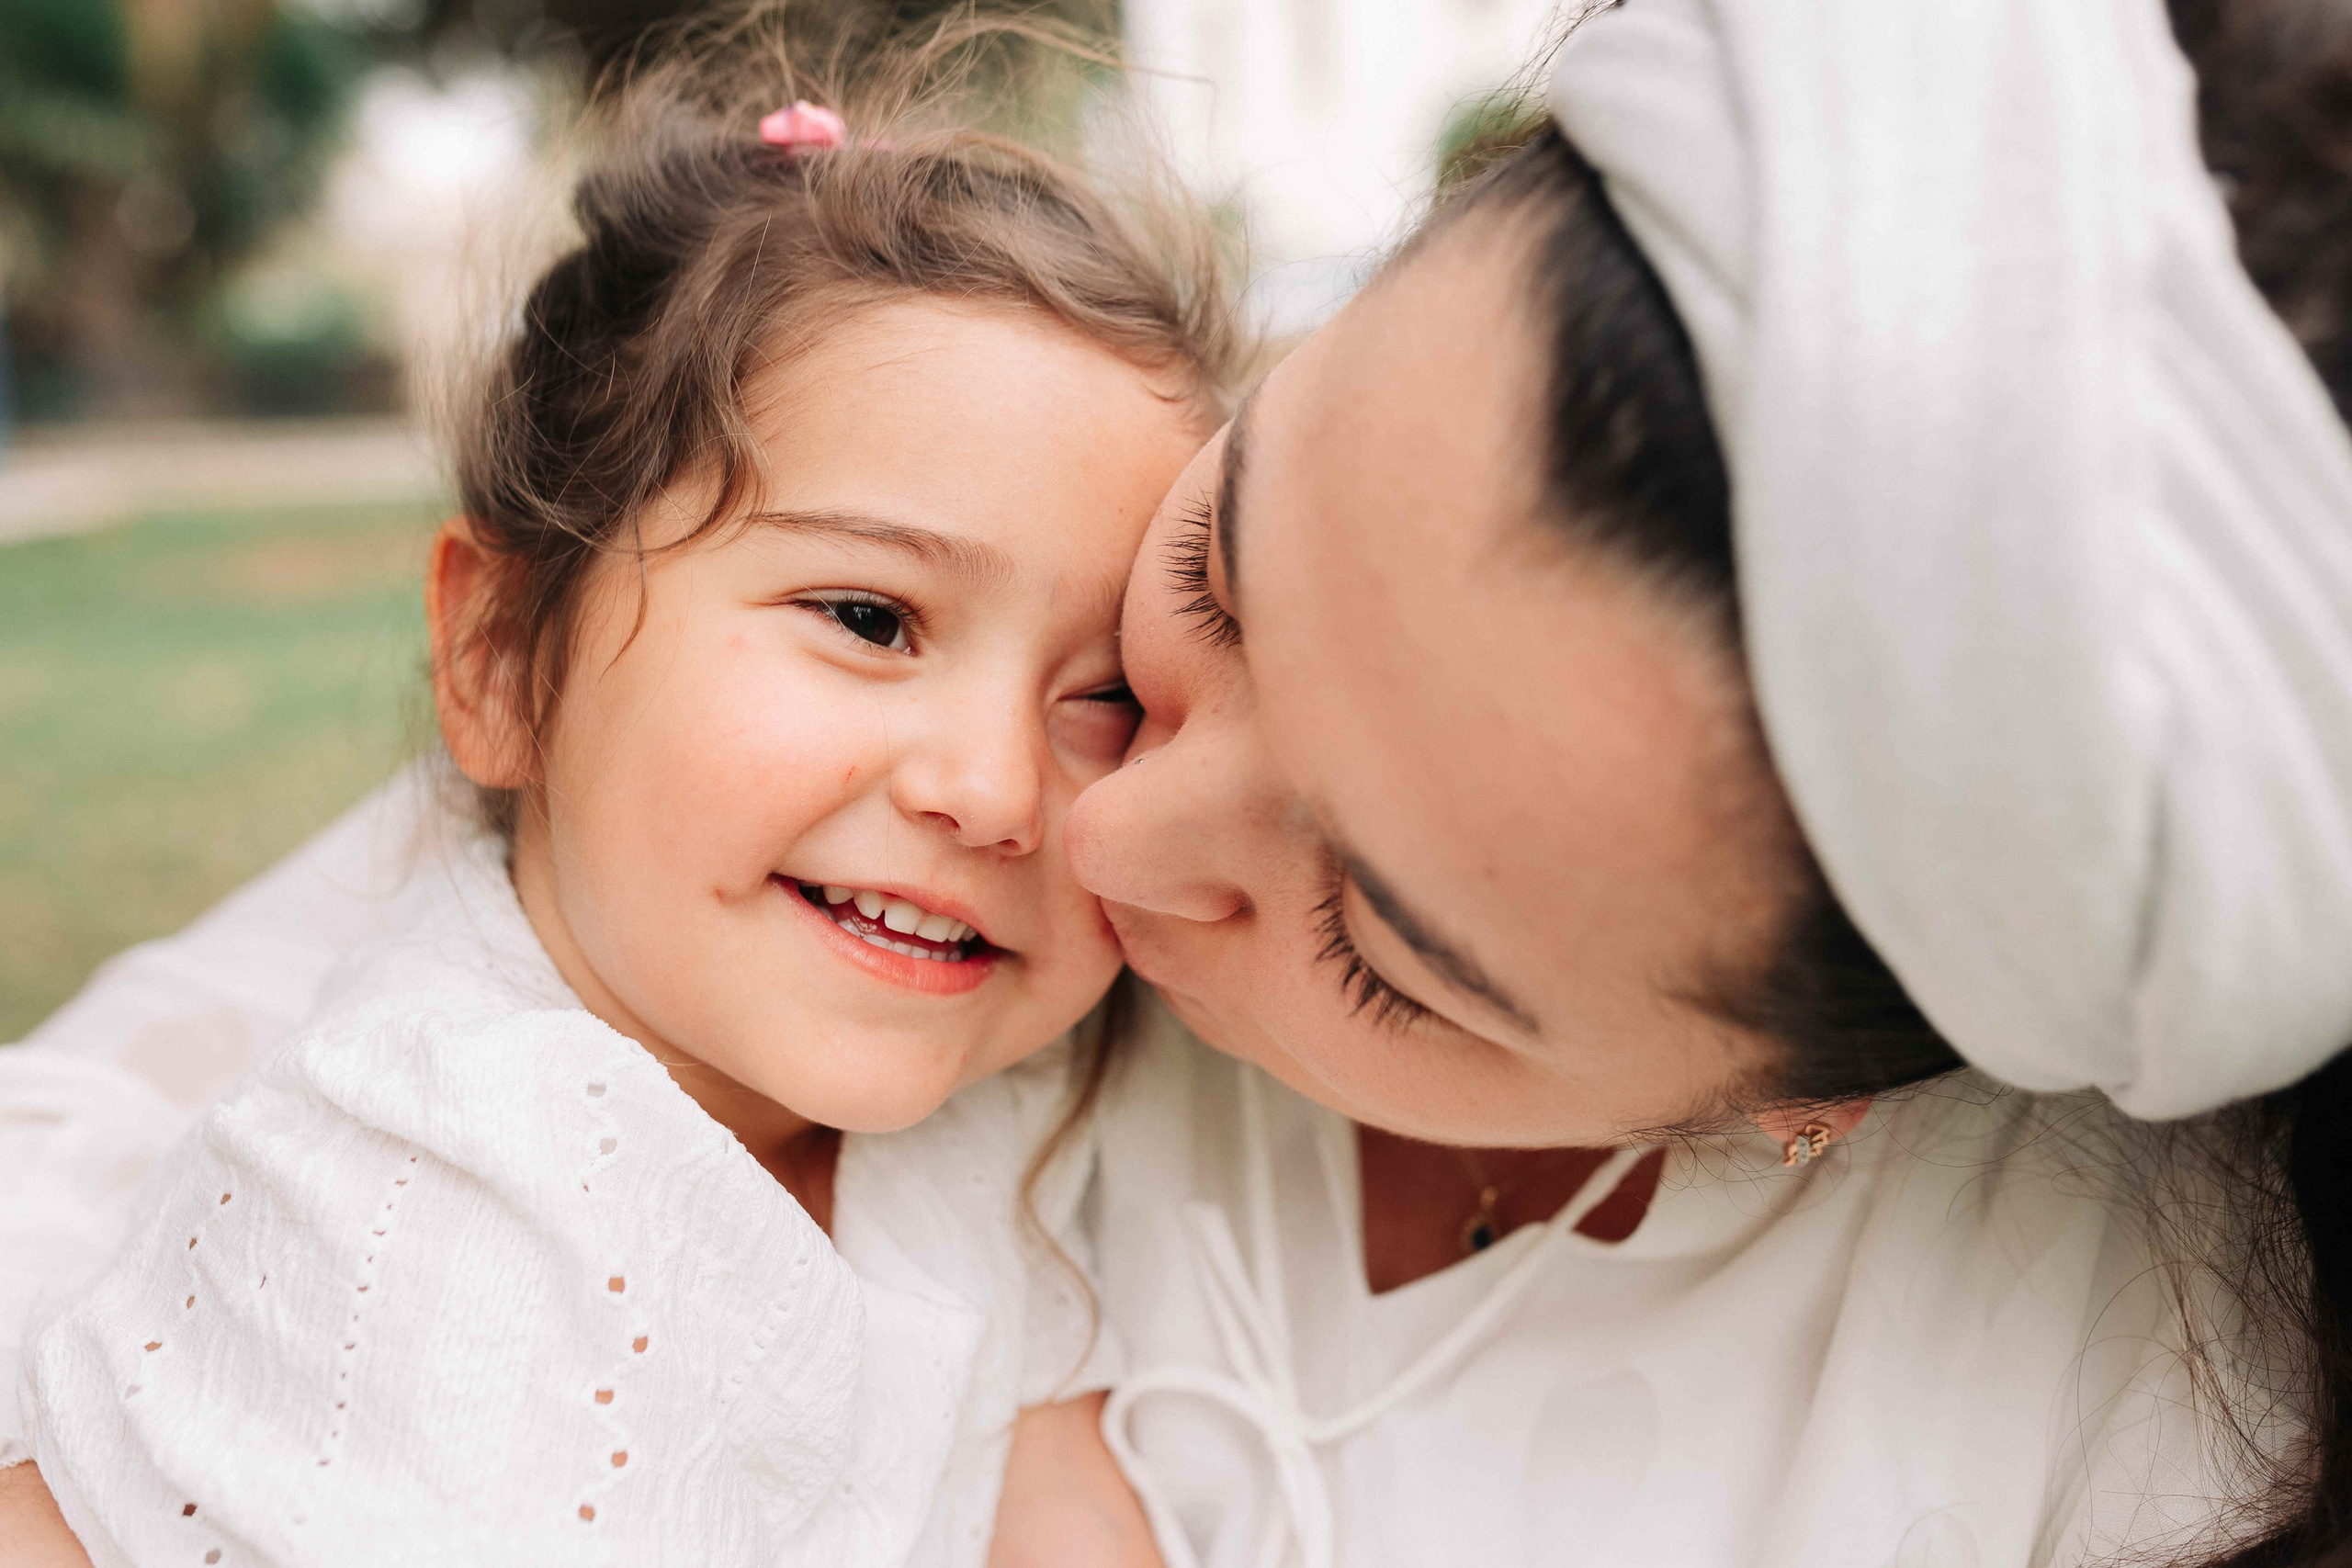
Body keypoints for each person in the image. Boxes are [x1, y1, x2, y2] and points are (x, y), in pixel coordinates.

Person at [8, 0, 2352, 1563]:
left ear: (1807, 1095)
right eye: (1215, 578)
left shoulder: (2089, 1403)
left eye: (1376, 934)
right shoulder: (580, 986)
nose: (1082, 830)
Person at [5, 17, 1235, 1566]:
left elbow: (1045, 1457)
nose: (998, 792)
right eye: (869, 620)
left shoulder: (997, 1097)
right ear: (508, 660)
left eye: (1106, 699)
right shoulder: (426, 1184)